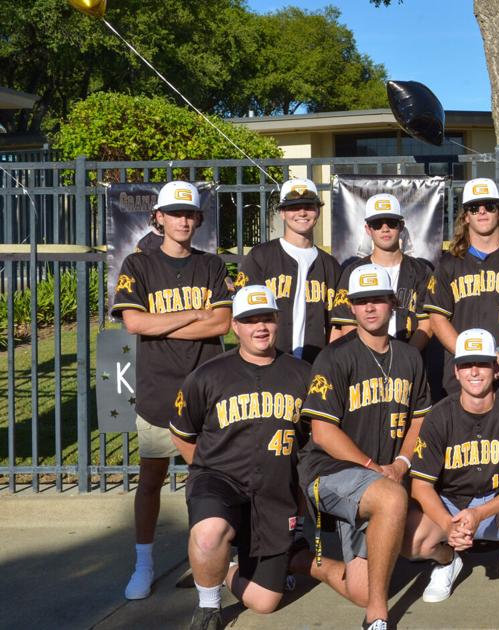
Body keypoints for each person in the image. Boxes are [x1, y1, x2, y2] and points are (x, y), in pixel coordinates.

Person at [111, 180, 233, 600]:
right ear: (158, 218)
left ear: (198, 220)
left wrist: (165, 322)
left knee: (213, 479)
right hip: (157, 390)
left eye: (189, 214)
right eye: (175, 213)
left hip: (207, 392)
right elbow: (135, 323)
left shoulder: (211, 265)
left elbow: (222, 323)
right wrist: (195, 314)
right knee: (151, 479)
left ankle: (218, 555)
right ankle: (143, 563)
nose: (183, 221)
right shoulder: (138, 264)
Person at [170, 286, 313, 630]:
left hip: (274, 492)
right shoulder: (207, 375)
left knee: (264, 603)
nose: (259, 327)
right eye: (249, 320)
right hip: (220, 480)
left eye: (266, 318)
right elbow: (181, 432)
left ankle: (220, 569)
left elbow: (310, 446)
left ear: (277, 321)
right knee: (209, 534)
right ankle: (208, 606)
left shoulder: (303, 374)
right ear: (235, 326)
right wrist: (204, 468)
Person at [298, 264, 432, 630]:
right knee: (391, 499)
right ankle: (377, 614)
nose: (370, 308)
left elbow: (419, 420)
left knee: (431, 538)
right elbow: (323, 433)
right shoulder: (334, 357)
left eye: (377, 299)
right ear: (351, 308)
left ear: (393, 303)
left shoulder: (409, 357)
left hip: (385, 475)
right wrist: (375, 468)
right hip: (330, 472)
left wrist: (401, 463)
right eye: (361, 301)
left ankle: (302, 561)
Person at [405, 329, 499, 602]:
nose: (474, 371)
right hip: (451, 506)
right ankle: (447, 561)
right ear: (456, 371)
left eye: (482, 363)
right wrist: (448, 525)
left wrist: (480, 513)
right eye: (466, 364)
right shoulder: (439, 416)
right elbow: (421, 486)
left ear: (496, 369)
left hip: (498, 506)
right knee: (408, 538)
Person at [425, 178, 499, 399]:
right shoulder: (449, 264)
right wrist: (468, 356)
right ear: (465, 217)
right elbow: (437, 319)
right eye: (473, 208)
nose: (482, 212)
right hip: (462, 369)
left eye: (489, 206)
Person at [235, 177, 340, 363]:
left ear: (318, 211)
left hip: (315, 365)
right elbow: (244, 318)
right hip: (269, 363)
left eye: (309, 206)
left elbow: (336, 325)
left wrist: (329, 364)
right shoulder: (260, 257)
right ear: (282, 213)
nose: (302, 212)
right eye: (293, 207)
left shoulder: (330, 265)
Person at [331, 192, 433, 349]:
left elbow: (427, 324)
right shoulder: (353, 272)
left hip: (410, 357)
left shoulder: (421, 271)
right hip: (363, 359)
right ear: (368, 229)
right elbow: (347, 325)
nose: (385, 229)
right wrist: (367, 358)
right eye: (377, 224)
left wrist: (406, 358)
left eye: (391, 223)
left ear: (401, 226)